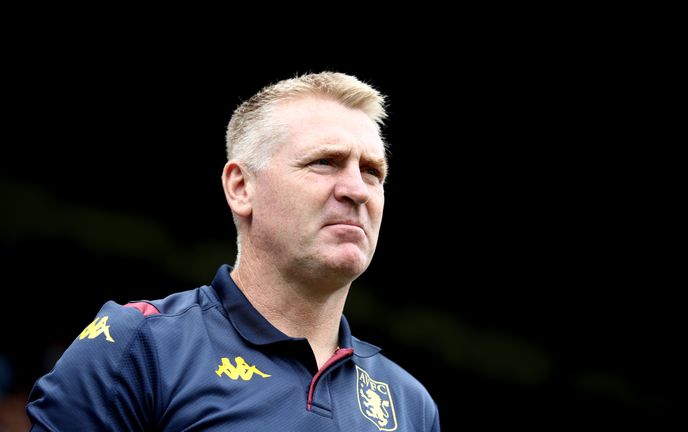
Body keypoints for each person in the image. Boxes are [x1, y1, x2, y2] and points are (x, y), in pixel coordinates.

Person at [26, 71, 441, 431]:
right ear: (241, 188)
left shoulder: (411, 404)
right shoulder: (138, 345)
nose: (356, 190)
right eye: (324, 162)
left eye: (372, 172)